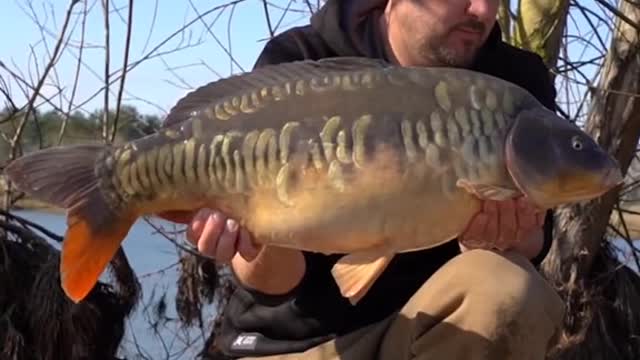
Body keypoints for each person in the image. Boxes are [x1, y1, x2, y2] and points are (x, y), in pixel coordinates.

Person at [159, 0, 566, 359]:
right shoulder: (302, 59)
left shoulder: (513, 85)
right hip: (291, 346)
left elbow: (533, 242)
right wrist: (247, 232)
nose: (481, 10)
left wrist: (499, 235)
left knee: (507, 287)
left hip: (431, 335)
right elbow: (273, 282)